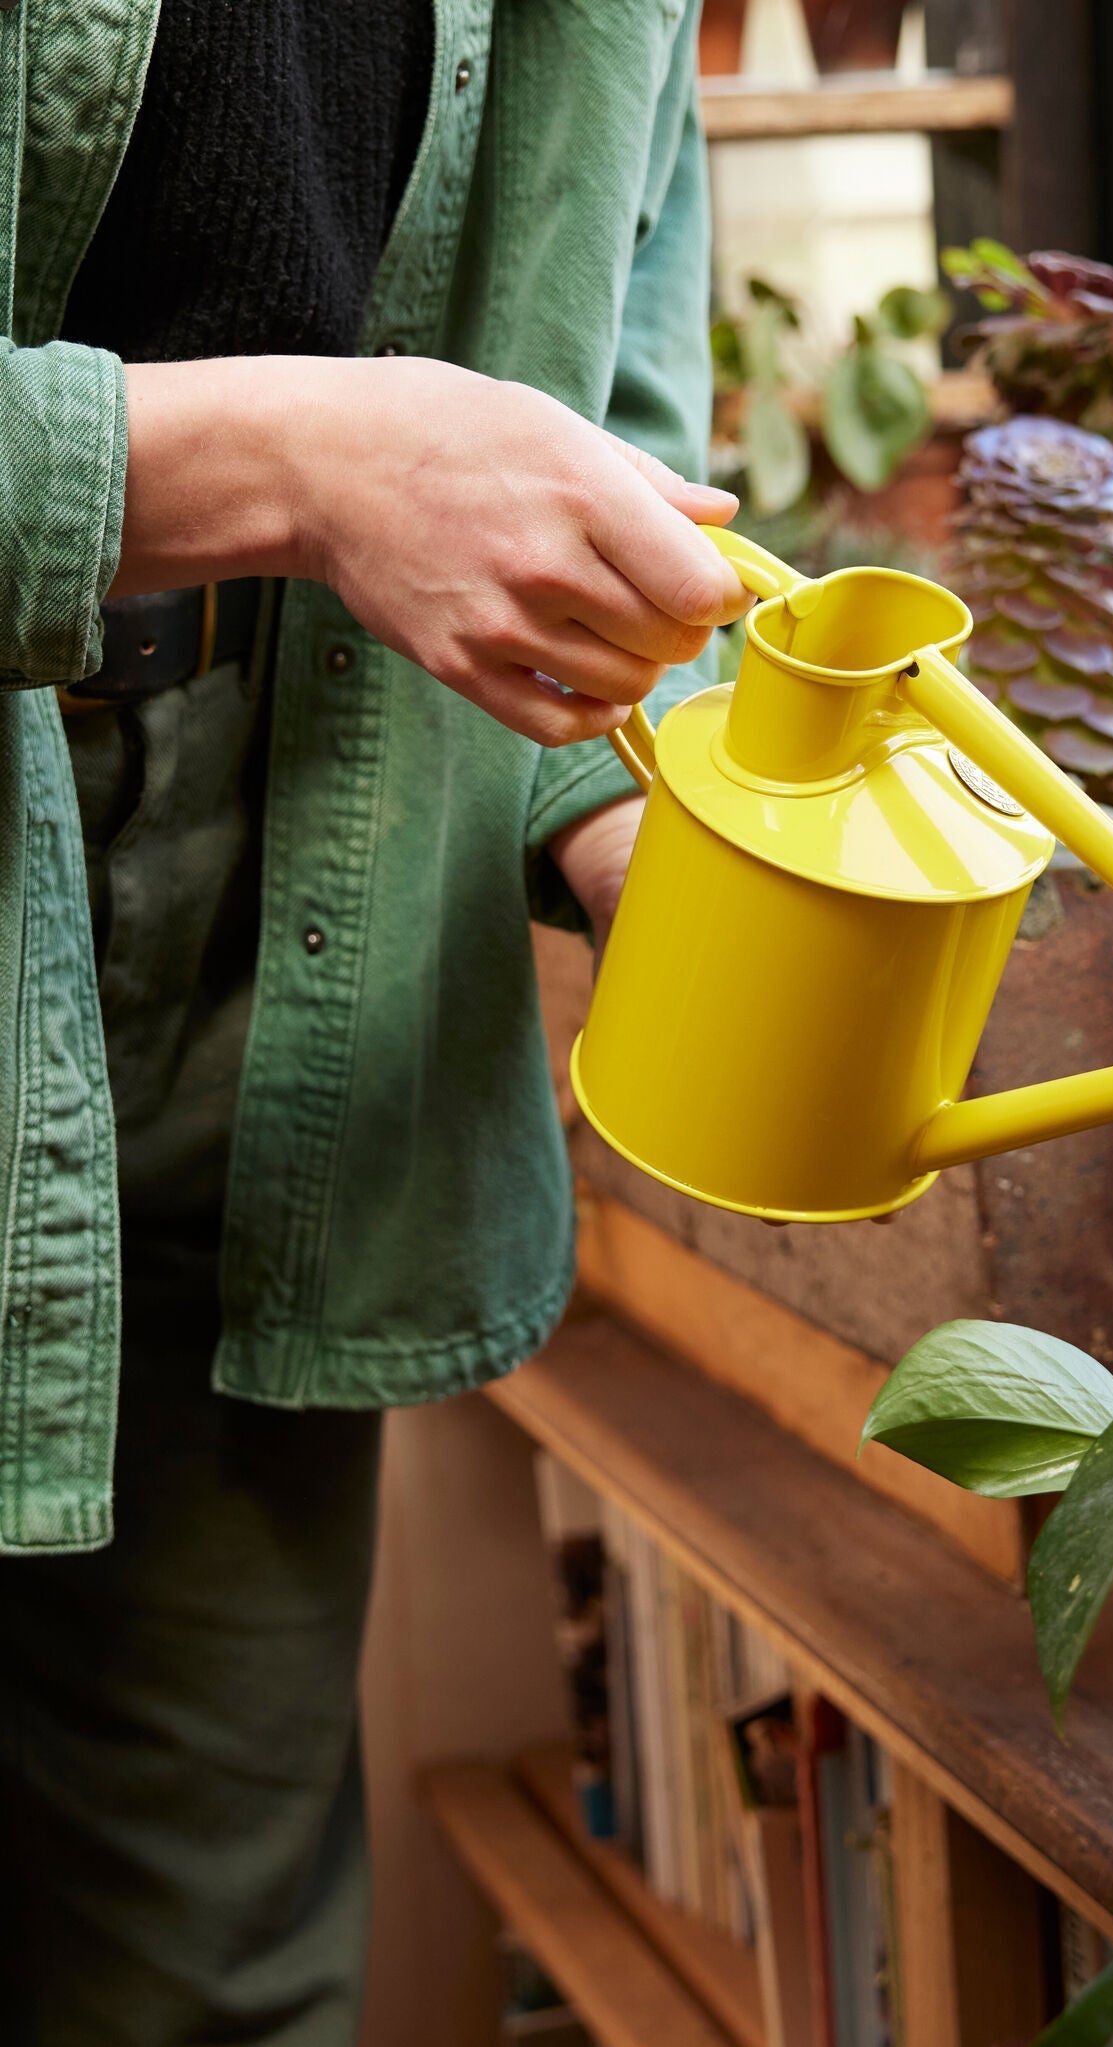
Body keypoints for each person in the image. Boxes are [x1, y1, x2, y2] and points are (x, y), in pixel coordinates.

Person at [0, 5, 748, 2041]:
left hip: (290, 919)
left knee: (211, 1964)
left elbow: (625, 335)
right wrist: (307, 463)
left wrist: (643, 807)